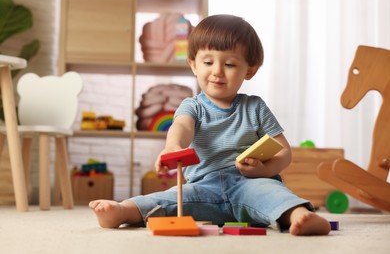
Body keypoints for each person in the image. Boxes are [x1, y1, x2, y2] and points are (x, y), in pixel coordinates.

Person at [89, 14, 331, 236]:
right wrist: (173, 146)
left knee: (274, 195)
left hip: (251, 185)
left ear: (250, 70)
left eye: (230, 64)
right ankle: (121, 211)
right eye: (208, 62)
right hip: (203, 189)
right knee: (167, 200)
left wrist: (262, 170)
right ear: (194, 64)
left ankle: (301, 216)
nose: (217, 72)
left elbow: (283, 152)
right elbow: (182, 127)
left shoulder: (255, 107)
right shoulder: (192, 106)